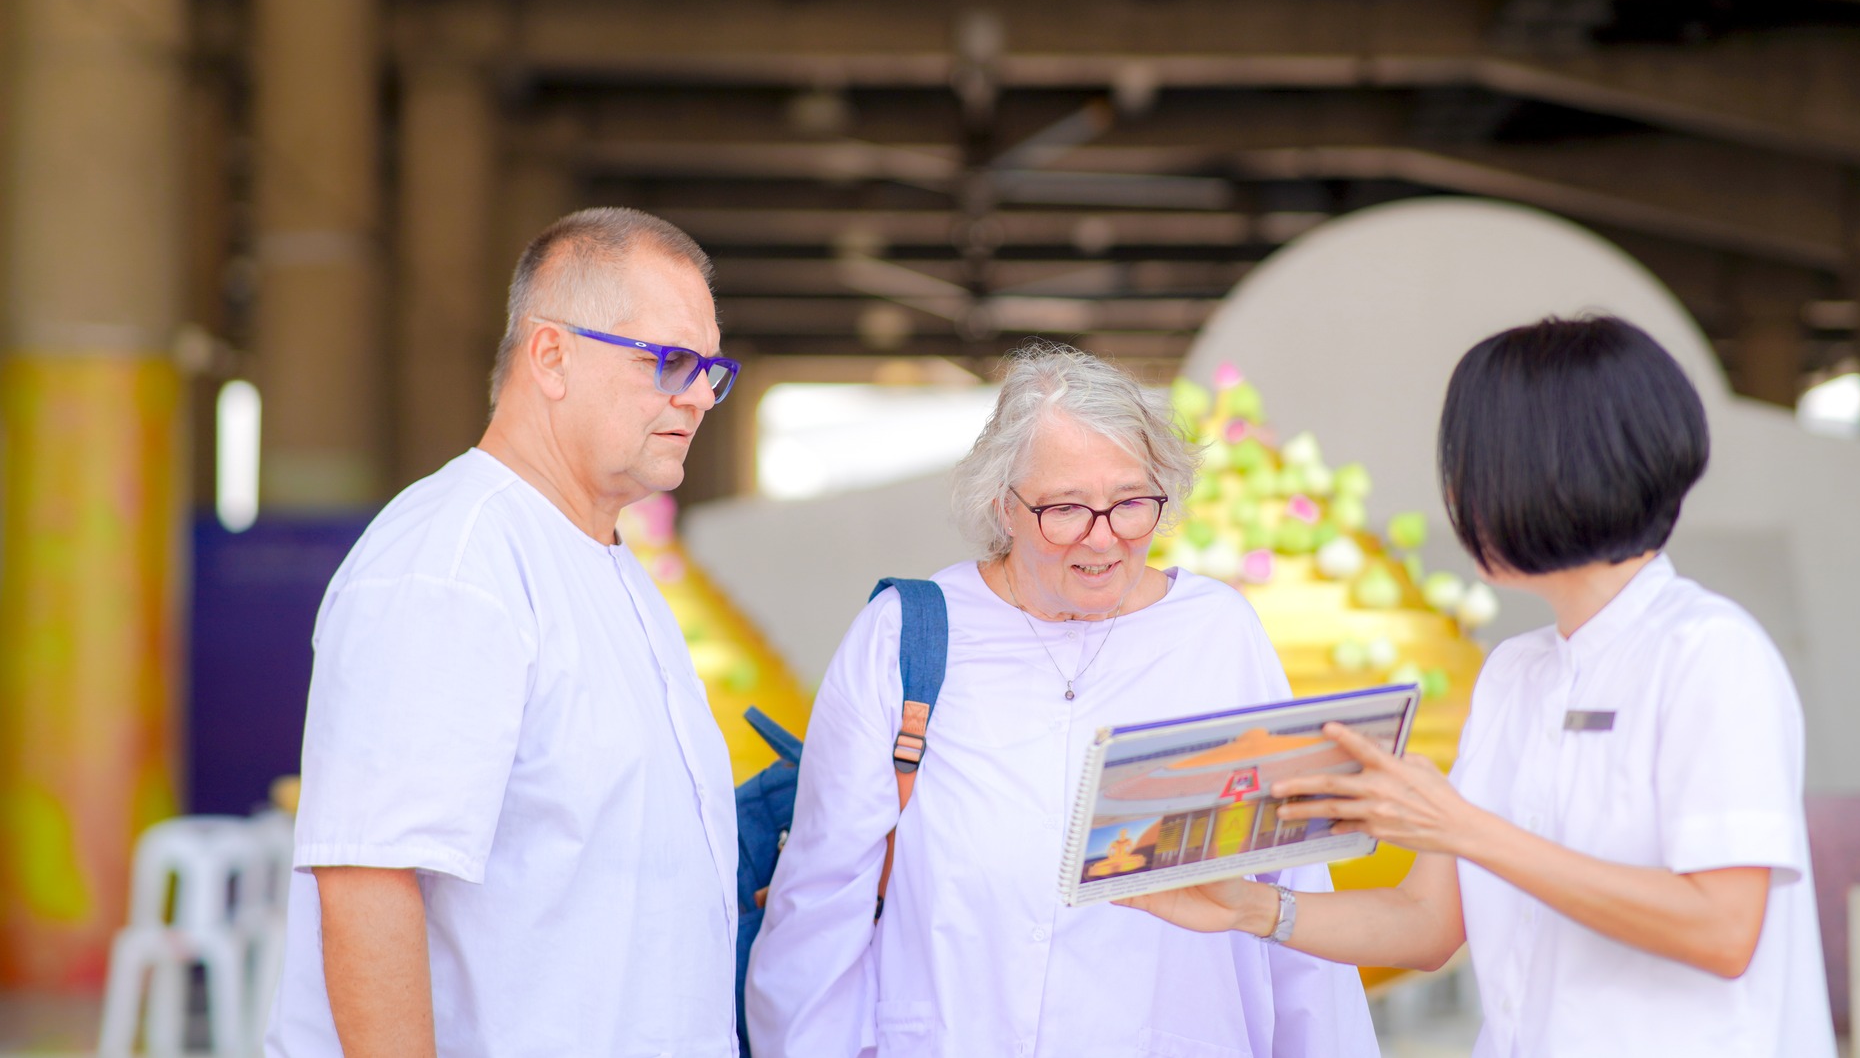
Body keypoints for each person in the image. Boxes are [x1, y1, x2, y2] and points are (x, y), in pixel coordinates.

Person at [1125, 315, 1834, 1057]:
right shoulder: (1514, 674)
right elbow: (1427, 927)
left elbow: (1721, 929)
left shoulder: (1711, 652)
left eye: (1473, 463)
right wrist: (1255, 906)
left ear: (1554, 469)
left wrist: (1463, 826)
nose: (1459, 494)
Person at [745, 344, 1372, 1058]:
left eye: (1132, 502)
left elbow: (1288, 887)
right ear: (1001, 503)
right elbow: (819, 906)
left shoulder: (1216, 634)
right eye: (1066, 508)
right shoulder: (905, 635)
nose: (1102, 539)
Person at [267, 207, 746, 1058]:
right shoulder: (456, 562)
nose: (700, 395)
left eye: (712, 368)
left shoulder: (605, 562)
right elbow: (368, 879)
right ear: (551, 355)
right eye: (671, 361)